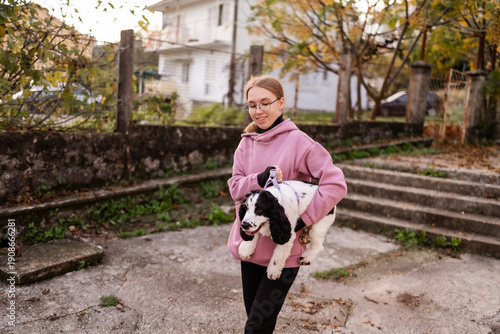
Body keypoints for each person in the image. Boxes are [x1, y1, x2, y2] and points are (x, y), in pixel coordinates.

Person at [227, 75, 348, 333]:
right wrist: (257, 179)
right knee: (256, 322)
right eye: (252, 105)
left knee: (256, 327)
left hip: (284, 250)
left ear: (281, 103)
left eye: (265, 103)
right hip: (250, 244)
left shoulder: (301, 143)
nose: (258, 111)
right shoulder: (245, 143)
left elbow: (335, 184)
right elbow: (235, 188)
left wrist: (303, 221)